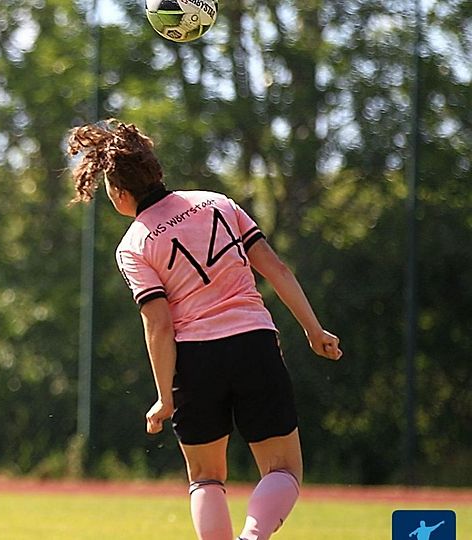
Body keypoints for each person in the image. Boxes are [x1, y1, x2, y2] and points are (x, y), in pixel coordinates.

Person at [67, 120, 342, 540]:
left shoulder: (134, 245)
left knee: (205, 477)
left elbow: (158, 325)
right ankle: (254, 536)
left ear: (119, 193)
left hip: (195, 363)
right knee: (283, 469)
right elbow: (276, 268)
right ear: (155, 171)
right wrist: (314, 329)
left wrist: (163, 397)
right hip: (254, 345)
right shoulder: (218, 203)